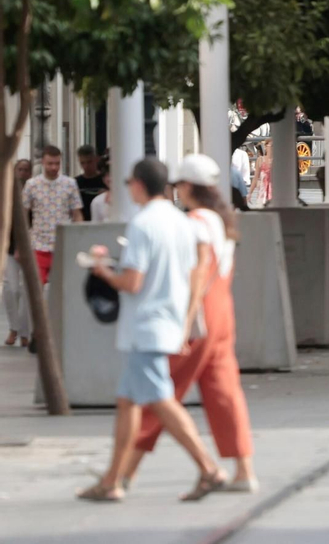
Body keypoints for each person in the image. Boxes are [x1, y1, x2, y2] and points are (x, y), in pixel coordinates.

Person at [78, 157, 226, 503]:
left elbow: (132, 282)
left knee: (160, 400)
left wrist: (103, 271)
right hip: (167, 319)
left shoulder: (142, 224)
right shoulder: (181, 223)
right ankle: (112, 480)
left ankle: (208, 468)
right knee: (128, 401)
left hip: (146, 324)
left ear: (140, 184)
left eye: (129, 182)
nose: (127, 188)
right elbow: (191, 273)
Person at [123, 154, 257, 494]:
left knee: (161, 391)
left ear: (185, 186)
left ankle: (125, 473)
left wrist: (184, 322)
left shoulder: (195, 222)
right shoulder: (221, 221)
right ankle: (243, 470)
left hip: (201, 316)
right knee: (224, 392)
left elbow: (198, 274)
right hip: (223, 313)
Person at [21, 145, 82, 284]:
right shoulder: (32, 185)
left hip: (63, 243)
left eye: (57, 163)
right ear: (42, 162)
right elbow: (23, 214)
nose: (54, 167)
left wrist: (77, 237)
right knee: (36, 285)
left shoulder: (70, 184)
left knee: (63, 286)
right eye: (50, 163)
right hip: (38, 243)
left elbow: (77, 213)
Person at [4, 160, 33, 348]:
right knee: (11, 289)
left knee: (25, 290)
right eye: (19, 170)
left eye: (25, 170)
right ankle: (14, 327)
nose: (22, 173)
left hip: (30, 248)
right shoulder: (6, 192)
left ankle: (23, 332)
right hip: (9, 248)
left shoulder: (32, 193)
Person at [75, 144, 107, 208]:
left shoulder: (106, 180)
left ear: (97, 159)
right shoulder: (75, 183)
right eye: (82, 163)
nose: (86, 166)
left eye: (89, 162)